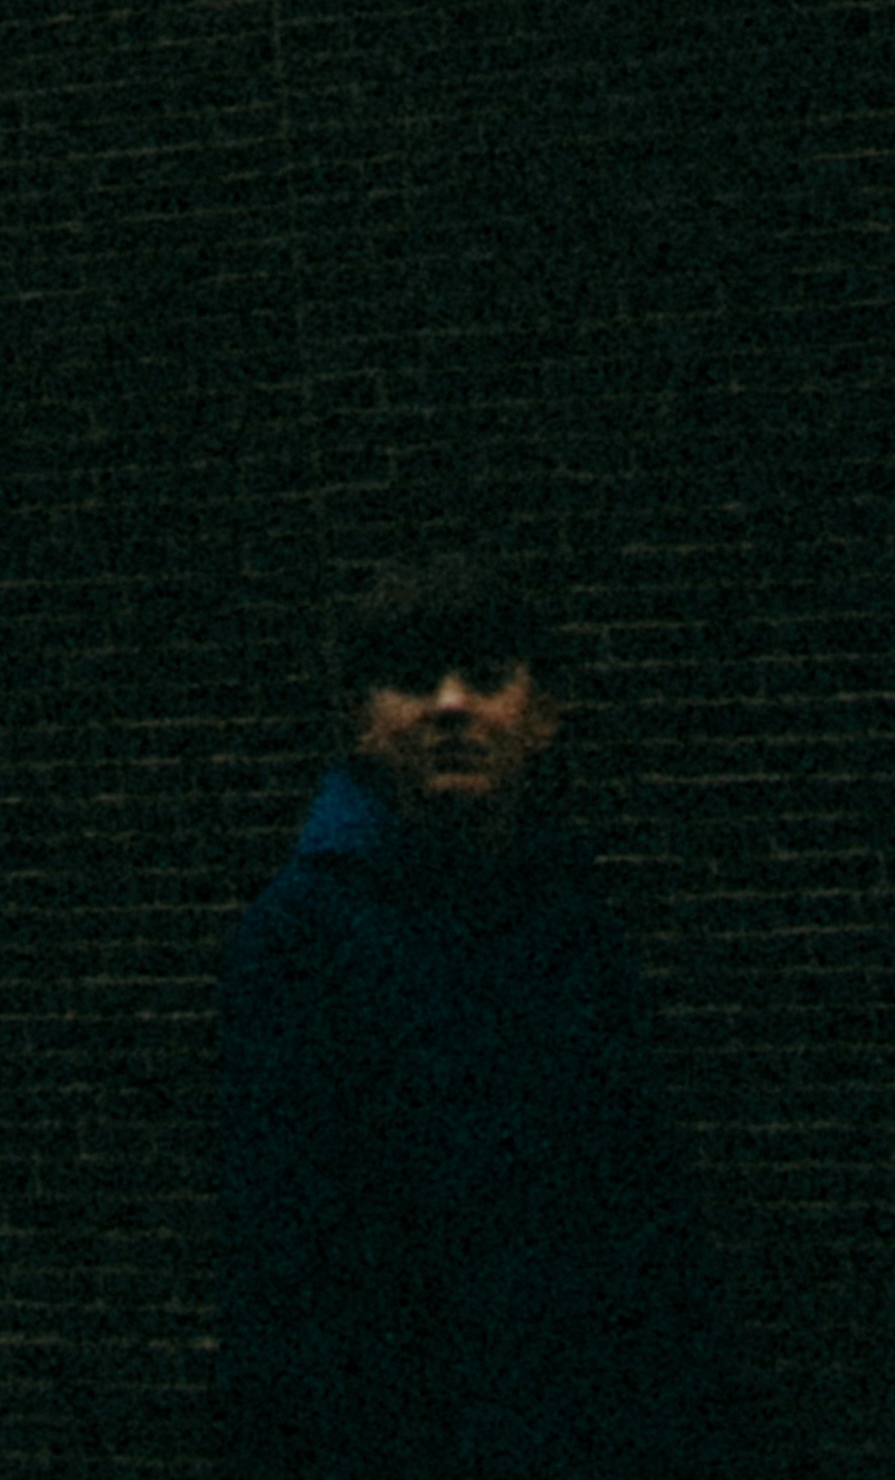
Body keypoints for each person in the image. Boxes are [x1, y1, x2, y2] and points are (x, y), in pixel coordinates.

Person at [219, 550, 756, 1474]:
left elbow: (642, 1203)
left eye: (485, 676)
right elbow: (286, 1252)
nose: (451, 705)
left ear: (543, 714)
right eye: (413, 679)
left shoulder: (576, 925)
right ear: (362, 720)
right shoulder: (301, 937)